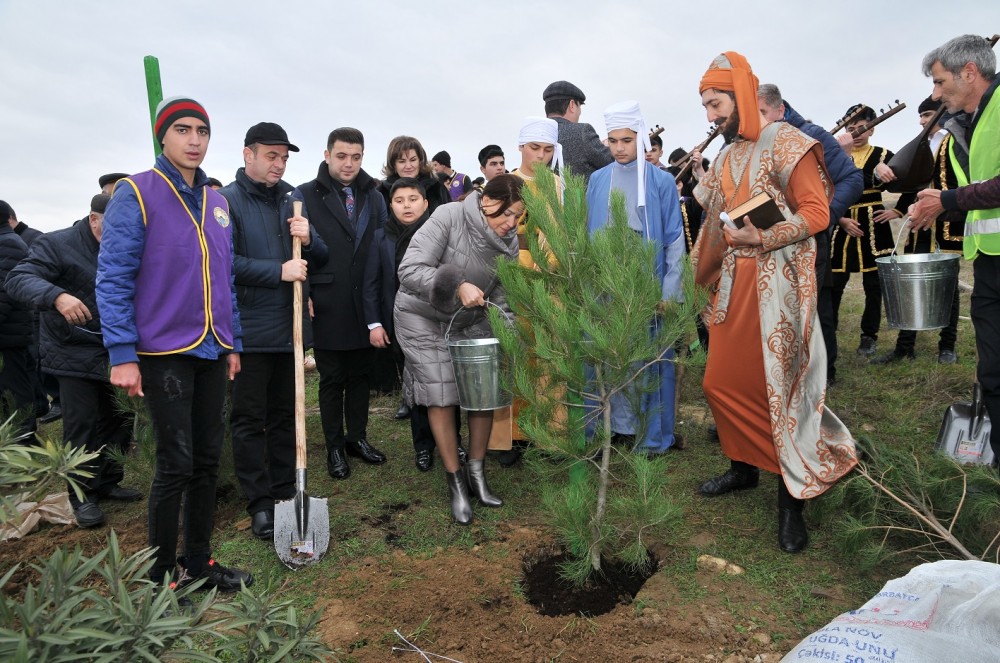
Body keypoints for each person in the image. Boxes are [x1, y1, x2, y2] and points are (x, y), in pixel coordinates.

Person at [691, 52, 856, 553]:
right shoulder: (726, 155)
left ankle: (791, 503)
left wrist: (762, 238)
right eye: (704, 106)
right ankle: (743, 469)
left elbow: (817, 212)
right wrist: (702, 275)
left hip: (781, 287)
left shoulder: (788, 141)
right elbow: (715, 220)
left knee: (779, 391)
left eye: (715, 103)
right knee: (721, 383)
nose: (710, 116)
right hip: (734, 287)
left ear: (740, 94)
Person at [96, 96, 251, 590]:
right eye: (182, 129)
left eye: (202, 131)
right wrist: (121, 353)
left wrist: (232, 342)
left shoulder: (218, 202)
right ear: (163, 136)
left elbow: (223, 277)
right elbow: (114, 275)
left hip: (211, 348)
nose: (194, 140)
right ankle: (161, 574)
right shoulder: (136, 192)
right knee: (175, 463)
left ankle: (199, 562)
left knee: (207, 459)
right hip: (163, 350)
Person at [394, 174, 524, 524]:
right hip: (420, 316)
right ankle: (456, 482)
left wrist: (508, 336)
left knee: (482, 391)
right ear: (486, 202)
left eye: (518, 216)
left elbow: (501, 298)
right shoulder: (448, 217)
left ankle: (477, 473)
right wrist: (459, 284)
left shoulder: (509, 243)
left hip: (469, 319)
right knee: (441, 393)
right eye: (504, 213)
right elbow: (409, 269)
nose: (510, 223)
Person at [219, 122, 328, 540]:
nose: (279, 164)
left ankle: (286, 493)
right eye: (271, 156)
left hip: (290, 329)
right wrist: (277, 272)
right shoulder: (225, 203)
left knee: (287, 415)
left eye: (284, 157)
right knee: (250, 419)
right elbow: (223, 264)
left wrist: (310, 237)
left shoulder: (291, 201)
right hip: (249, 329)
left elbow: (319, 255)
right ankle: (260, 503)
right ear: (248, 155)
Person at [6, 194, 141, 528]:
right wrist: (57, 296)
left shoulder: (130, 246)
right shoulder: (56, 244)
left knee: (119, 419)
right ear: (94, 219)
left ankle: (109, 480)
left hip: (116, 348)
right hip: (72, 349)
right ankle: (81, 496)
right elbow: (18, 279)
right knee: (82, 424)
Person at [908, 34, 1000, 462]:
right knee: (992, 370)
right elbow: (977, 195)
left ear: (970, 72)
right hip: (988, 263)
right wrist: (938, 208)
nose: (935, 93)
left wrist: (946, 200)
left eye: (940, 82)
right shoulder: (966, 124)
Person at [586, 101, 685, 454]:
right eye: (612, 141)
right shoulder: (597, 181)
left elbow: (674, 239)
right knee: (610, 355)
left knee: (646, 358)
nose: (619, 148)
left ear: (640, 138)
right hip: (605, 284)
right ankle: (611, 426)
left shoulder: (661, 181)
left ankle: (649, 433)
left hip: (647, 284)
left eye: (626, 140)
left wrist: (669, 291)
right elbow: (587, 236)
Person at [757, 84, 865, 386]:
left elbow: (852, 178)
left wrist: (824, 216)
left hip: (808, 240)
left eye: (763, 113)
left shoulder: (812, 137)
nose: (758, 121)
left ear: (780, 110)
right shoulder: (755, 141)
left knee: (815, 307)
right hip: (769, 241)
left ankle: (823, 374)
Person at [297, 127, 388, 480]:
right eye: (341, 156)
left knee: (361, 374)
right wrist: (305, 297)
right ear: (327, 155)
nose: (349, 164)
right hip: (327, 299)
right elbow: (296, 251)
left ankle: (357, 439)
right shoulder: (305, 195)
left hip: (366, 300)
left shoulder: (375, 195)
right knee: (332, 377)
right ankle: (334, 445)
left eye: (356, 157)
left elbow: (380, 247)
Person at [364, 178, 448, 472]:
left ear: (426, 203)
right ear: (390, 206)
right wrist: (375, 323)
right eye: (399, 201)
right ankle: (423, 446)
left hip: (440, 319)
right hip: (402, 323)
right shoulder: (380, 238)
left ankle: (453, 442)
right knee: (417, 388)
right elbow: (371, 283)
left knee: (448, 386)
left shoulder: (441, 233)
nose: (406, 205)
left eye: (413, 199)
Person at [875, 97, 962, 366]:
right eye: (921, 117)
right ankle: (905, 346)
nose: (922, 121)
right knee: (912, 282)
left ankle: (947, 346)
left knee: (949, 286)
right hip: (920, 225)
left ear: (942, 113)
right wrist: (881, 170)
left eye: (927, 115)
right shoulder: (921, 144)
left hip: (948, 220)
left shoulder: (958, 140)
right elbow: (904, 181)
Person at [376, 137, 453, 409]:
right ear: (392, 163)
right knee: (399, 336)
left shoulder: (436, 188)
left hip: (429, 267)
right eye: (401, 160)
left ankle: (434, 393)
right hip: (395, 267)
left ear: (421, 160)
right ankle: (407, 396)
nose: (408, 165)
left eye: (413, 159)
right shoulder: (381, 191)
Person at [829, 104, 898, 359]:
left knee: (873, 284)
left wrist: (898, 210)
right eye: (851, 128)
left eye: (862, 128)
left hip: (874, 223)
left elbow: (910, 182)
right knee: (835, 283)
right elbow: (827, 188)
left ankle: (869, 337)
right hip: (843, 220)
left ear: (872, 128)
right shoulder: (835, 155)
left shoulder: (883, 155)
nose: (856, 133)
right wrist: (841, 219)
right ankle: (829, 331)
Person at [0, 200, 35, 440]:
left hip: (10, 334)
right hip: (8, 332)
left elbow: (4, 292)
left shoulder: (9, 244)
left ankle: (25, 442)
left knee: (16, 393)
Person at [543, 80, 612, 182]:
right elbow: (613, 161)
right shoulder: (582, 132)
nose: (580, 112)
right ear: (572, 105)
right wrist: (608, 145)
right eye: (579, 106)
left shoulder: (536, 134)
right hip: (580, 198)